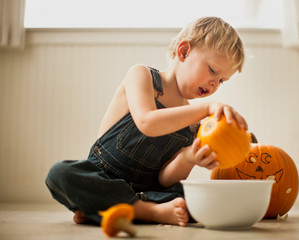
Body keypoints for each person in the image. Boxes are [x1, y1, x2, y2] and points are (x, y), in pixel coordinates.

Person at [45, 16, 247, 227]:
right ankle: (148, 212)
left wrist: (189, 158)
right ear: (184, 51)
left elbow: (164, 179)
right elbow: (147, 122)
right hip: (103, 177)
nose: (215, 83)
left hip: (149, 191)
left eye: (222, 80)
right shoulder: (142, 76)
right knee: (61, 173)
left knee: (200, 199)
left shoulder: (193, 123)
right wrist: (205, 109)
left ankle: (103, 209)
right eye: (213, 70)